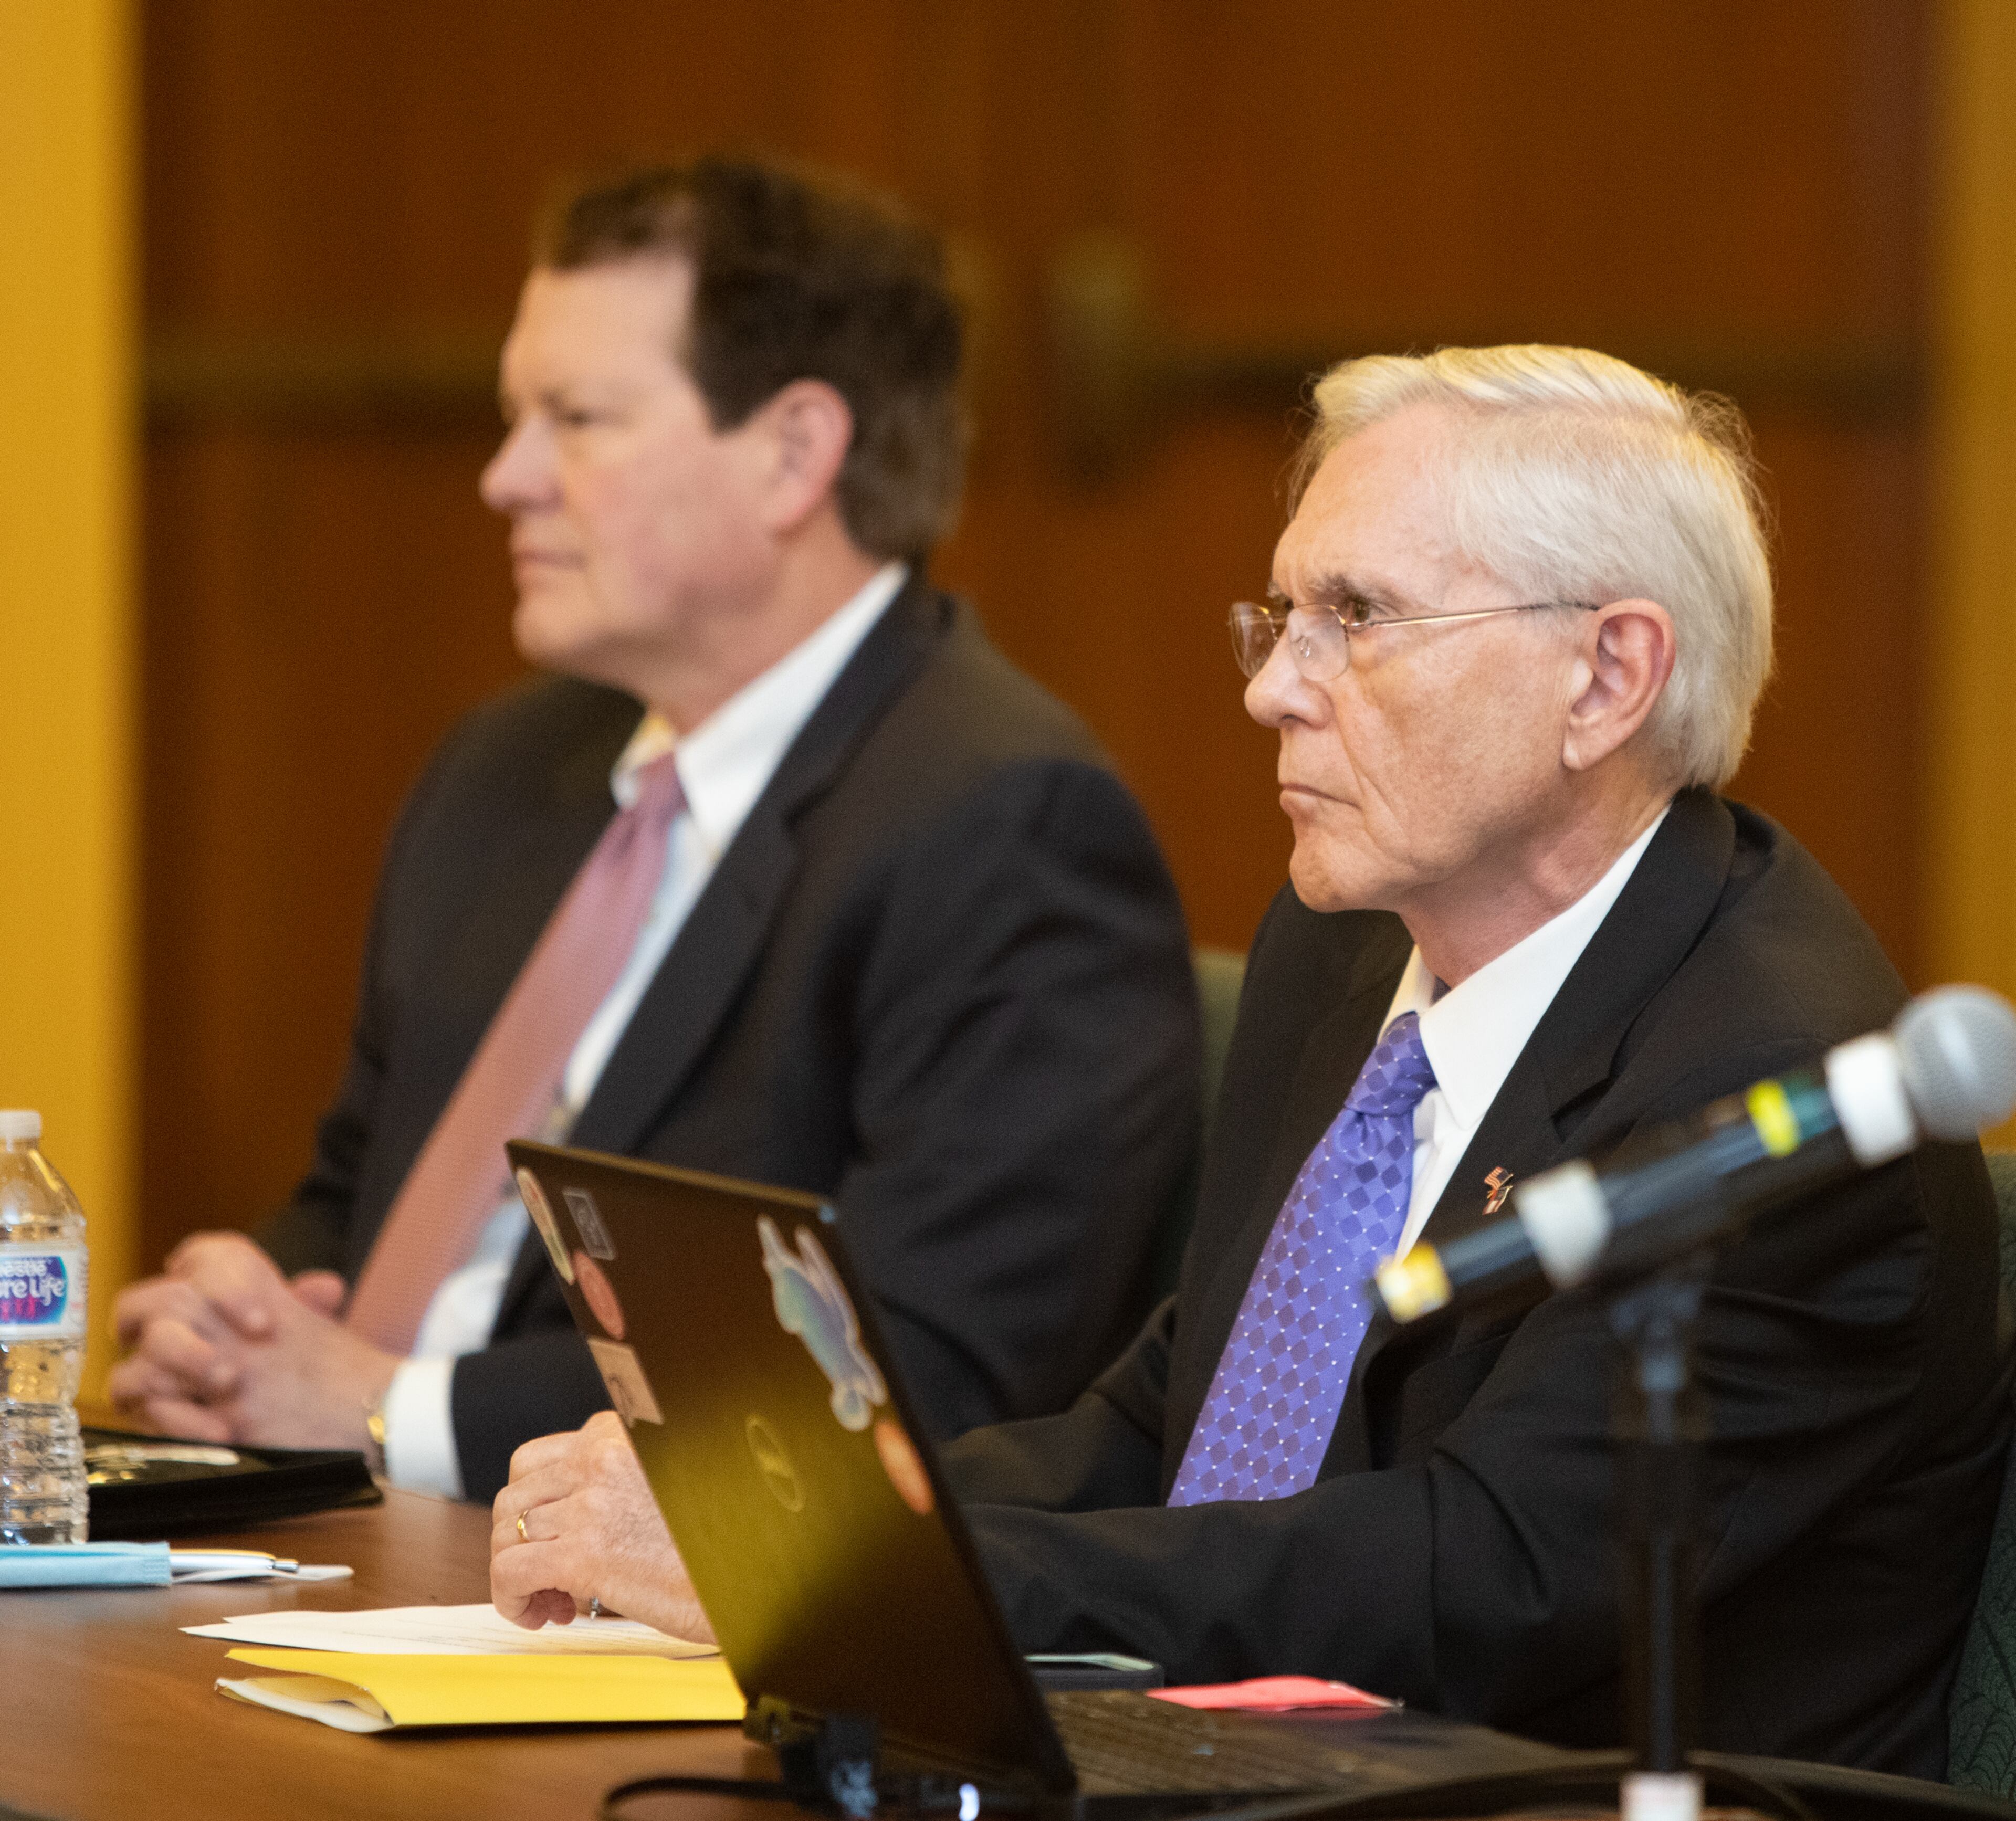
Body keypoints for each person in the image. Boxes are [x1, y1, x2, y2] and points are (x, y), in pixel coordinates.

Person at [488, 344, 2010, 1777]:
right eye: (1281, 617)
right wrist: (764, 1514)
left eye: (1357, 617)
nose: (1273, 686)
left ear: (1607, 677)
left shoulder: (1783, 1109)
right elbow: (1182, 1422)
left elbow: (1464, 1573)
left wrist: (824, 1572)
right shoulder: (1346, 944)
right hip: (1267, 1766)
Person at [108, 156, 1201, 1504]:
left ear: (796, 453)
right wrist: (235, 1329)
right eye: (516, 418)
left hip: (637, 1631)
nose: (507, 478)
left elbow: (923, 1368)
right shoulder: (507, 764)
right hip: (332, 1528)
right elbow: (359, 1192)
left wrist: (394, 1410)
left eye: (575, 419)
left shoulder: (1005, 824)